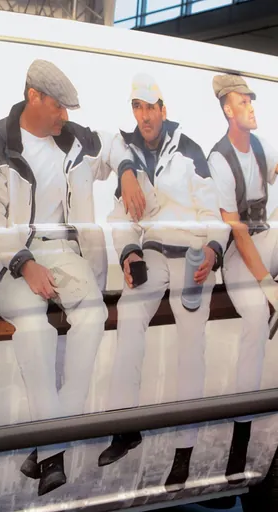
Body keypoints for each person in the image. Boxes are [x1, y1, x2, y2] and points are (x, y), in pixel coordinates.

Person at [0, 59, 139, 497]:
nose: (66, 115)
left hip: (66, 251)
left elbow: (120, 144)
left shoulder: (77, 140)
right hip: (11, 255)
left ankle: (50, 446)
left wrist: (126, 173)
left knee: (92, 315)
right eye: (59, 106)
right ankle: (54, 453)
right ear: (34, 97)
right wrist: (25, 263)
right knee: (35, 329)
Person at [98, 73, 229, 493]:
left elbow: (214, 213)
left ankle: (183, 453)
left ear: (163, 109)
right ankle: (126, 427)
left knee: (190, 348)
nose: (144, 115)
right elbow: (120, 219)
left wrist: (211, 248)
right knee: (130, 320)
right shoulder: (129, 156)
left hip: (192, 253)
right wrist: (128, 252)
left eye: (150, 107)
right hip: (152, 251)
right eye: (137, 107)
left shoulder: (189, 152)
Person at [207, 74, 278, 484]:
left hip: (265, 239)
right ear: (227, 110)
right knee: (253, 320)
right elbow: (236, 231)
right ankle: (240, 439)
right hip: (238, 254)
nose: (252, 106)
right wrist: (267, 284)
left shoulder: (262, 146)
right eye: (243, 101)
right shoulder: (220, 158)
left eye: (252, 99)